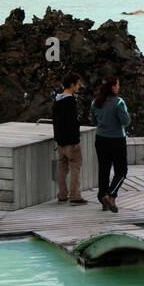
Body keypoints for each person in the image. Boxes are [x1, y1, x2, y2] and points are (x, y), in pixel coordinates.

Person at [92, 76, 130, 213]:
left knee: (104, 169)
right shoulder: (119, 102)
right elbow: (125, 121)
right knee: (121, 171)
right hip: (117, 140)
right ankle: (110, 195)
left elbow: (94, 120)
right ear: (113, 86)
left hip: (100, 139)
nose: (119, 87)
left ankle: (103, 199)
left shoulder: (95, 102)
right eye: (118, 84)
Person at [53, 71, 87, 205]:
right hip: (71, 142)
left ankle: (62, 195)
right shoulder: (70, 101)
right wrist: (76, 140)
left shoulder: (57, 100)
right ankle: (75, 196)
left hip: (60, 142)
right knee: (75, 168)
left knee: (62, 169)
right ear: (72, 85)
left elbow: (56, 121)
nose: (79, 87)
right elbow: (73, 122)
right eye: (78, 84)